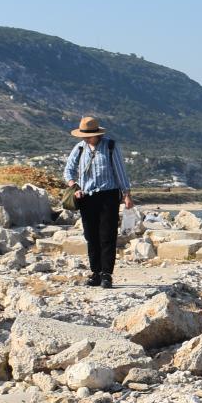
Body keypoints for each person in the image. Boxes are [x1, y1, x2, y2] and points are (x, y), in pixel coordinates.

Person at [62, 116, 133, 288]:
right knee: (91, 236)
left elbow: (120, 171)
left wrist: (127, 194)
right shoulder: (79, 148)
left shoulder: (110, 146)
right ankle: (95, 273)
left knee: (107, 235)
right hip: (86, 197)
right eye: (83, 135)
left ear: (97, 134)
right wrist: (74, 186)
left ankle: (107, 274)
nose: (85, 139)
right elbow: (68, 171)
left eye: (88, 136)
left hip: (108, 195)